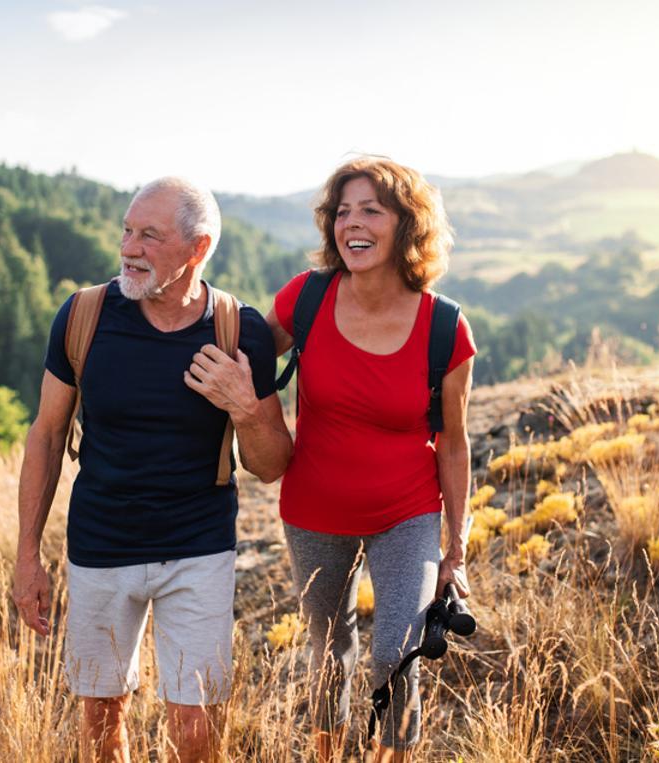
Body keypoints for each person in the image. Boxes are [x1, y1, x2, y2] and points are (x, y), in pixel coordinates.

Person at [198, 156, 475, 761]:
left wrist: (458, 537)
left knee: (396, 651)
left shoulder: (445, 327)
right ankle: (328, 750)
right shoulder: (309, 297)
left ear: (407, 224)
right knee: (329, 648)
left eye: (371, 209)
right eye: (342, 211)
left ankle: (392, 752)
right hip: (313, 509)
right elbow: (243, 354)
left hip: (408, 513)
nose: (353, 221)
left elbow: (453, 442)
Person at [13, 176, 291, 763]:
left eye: (149, 236)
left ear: (199, 248)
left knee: (194, 725)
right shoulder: (84, 315)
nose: (129, 248)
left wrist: (243, 405)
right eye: (127, 231)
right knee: (100, 716)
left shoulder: (239, 331)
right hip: (99, 547)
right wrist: (26, 554)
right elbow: (46, 434)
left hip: (198, 548)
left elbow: (271, 466)